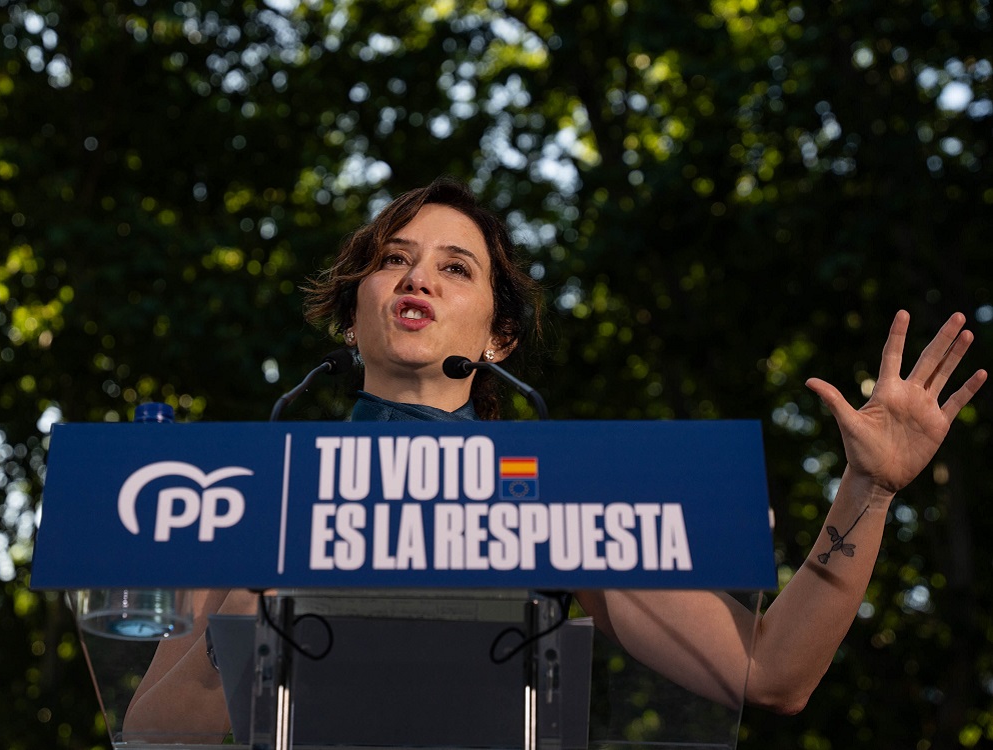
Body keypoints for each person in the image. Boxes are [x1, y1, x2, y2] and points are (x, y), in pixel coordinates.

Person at [124, 178, 986, 735]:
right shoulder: (250, 497)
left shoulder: (558, 503)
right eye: (395, 261)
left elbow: (772, 673)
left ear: (498, 336)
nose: (418, 279)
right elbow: (151, 738)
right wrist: (251, 591)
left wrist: (867, 488)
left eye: (455, 268)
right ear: (355, 317)